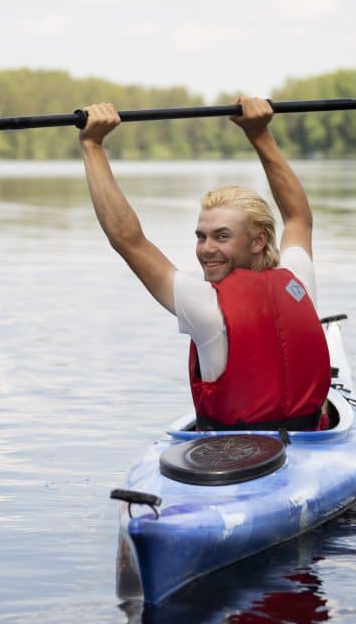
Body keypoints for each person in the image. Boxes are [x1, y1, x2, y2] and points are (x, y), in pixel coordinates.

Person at [79, 97, 331, 430]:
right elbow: (298, 217)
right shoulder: (298, 282)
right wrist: (260, 135)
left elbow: (128, 241)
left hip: (230, 459)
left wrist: (92, 145)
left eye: (222, 236)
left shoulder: (205, 306)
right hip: (312, 444)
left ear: (259, 241)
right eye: (201, 236)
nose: (206, 249)